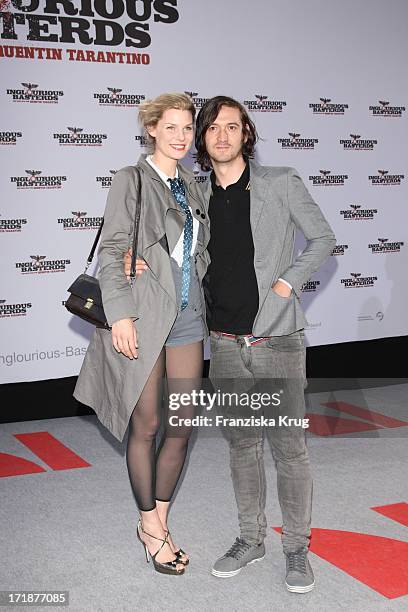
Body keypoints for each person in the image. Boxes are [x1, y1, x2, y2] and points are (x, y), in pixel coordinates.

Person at [126, 95, 336, 592]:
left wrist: (287, 283)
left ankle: (297, 548)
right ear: (200, 139)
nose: (222, 136)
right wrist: (135, 261)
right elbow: (168, 254)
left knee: (289, 449)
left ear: (247, 134)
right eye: (212, 128)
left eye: (233, 127)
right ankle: (250, 539)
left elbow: (323, 239)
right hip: (220, 341)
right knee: (242, 445)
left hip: (276, 339)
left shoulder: (281, 182)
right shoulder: (191, 195)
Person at [74, 93, 210, 576]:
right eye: (170, 127)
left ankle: (162, 519)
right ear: (151, 129)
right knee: (147, 425)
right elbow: (112, 251)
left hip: (189, 316)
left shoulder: (194, 184)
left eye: (187, 129)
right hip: (146, 316)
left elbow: (199, 250)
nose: (180, 136)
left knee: (181, 426)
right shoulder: (130, 180)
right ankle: (150, 527)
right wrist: (123, 315)